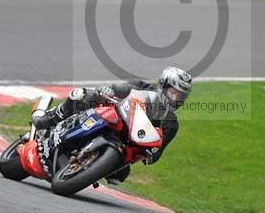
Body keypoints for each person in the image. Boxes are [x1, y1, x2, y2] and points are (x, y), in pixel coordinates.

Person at [33, 66, 193, 184]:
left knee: (119, 176)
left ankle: (86, 167)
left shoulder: (171, 124)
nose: (175, 99)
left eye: (180, 96)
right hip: (112, 118)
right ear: (163, 85)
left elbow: (154, 155)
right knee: (82, 94)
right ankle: (50, 118)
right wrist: (108, 91)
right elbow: (118, 88)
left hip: (126, 144)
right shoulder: (142, 87)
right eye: (173, 93)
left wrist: (152, 152)